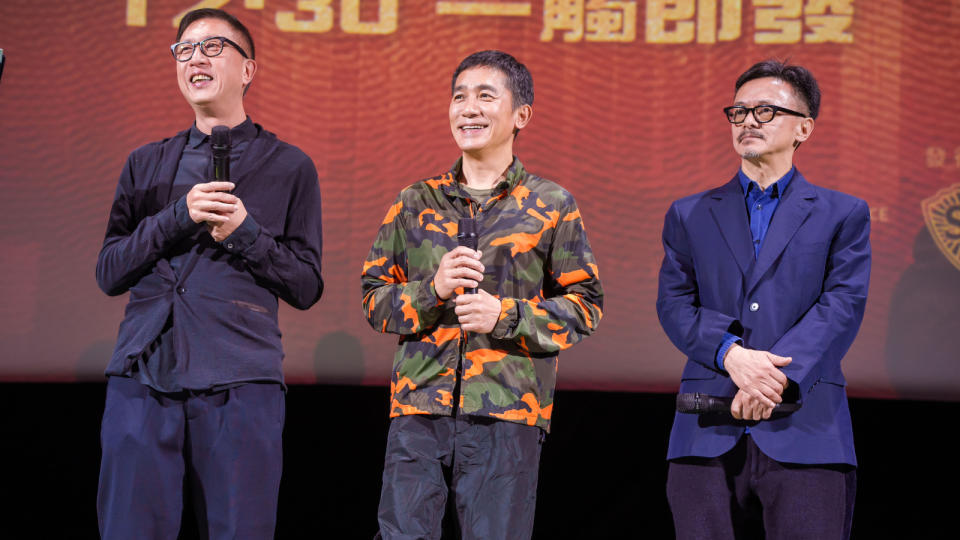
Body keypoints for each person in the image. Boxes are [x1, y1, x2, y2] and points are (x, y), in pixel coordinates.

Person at [95, 8, 323, 538]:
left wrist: (245, 232)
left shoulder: (290, 166)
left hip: (240, 380)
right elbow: (109, 271)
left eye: (213, 47)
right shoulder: (144, 163)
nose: (195, 57)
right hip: (142, 373)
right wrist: (178, 216)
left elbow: (307, 285)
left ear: (248, 70)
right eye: (184, 49)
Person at [361, 50, 603, 539]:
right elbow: (373, 299)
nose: (467, 108)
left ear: (521, 116)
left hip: (507, 413)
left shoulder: (551, 204)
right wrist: (432, 291)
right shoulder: (415, 201)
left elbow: (585, 307)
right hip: (418, 412)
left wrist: (505, 316)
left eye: (485, 96)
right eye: (459, 97)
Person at [656, 59, 870, 539]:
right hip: (706, 427)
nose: (748, 121)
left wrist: (776, 381)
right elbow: (674, 304)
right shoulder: (689, 213)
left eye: (766, 111)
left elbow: (842, 305)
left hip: (808, 428)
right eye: (739, 111)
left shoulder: (843, 214)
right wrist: (731, 355)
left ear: (804, 128)